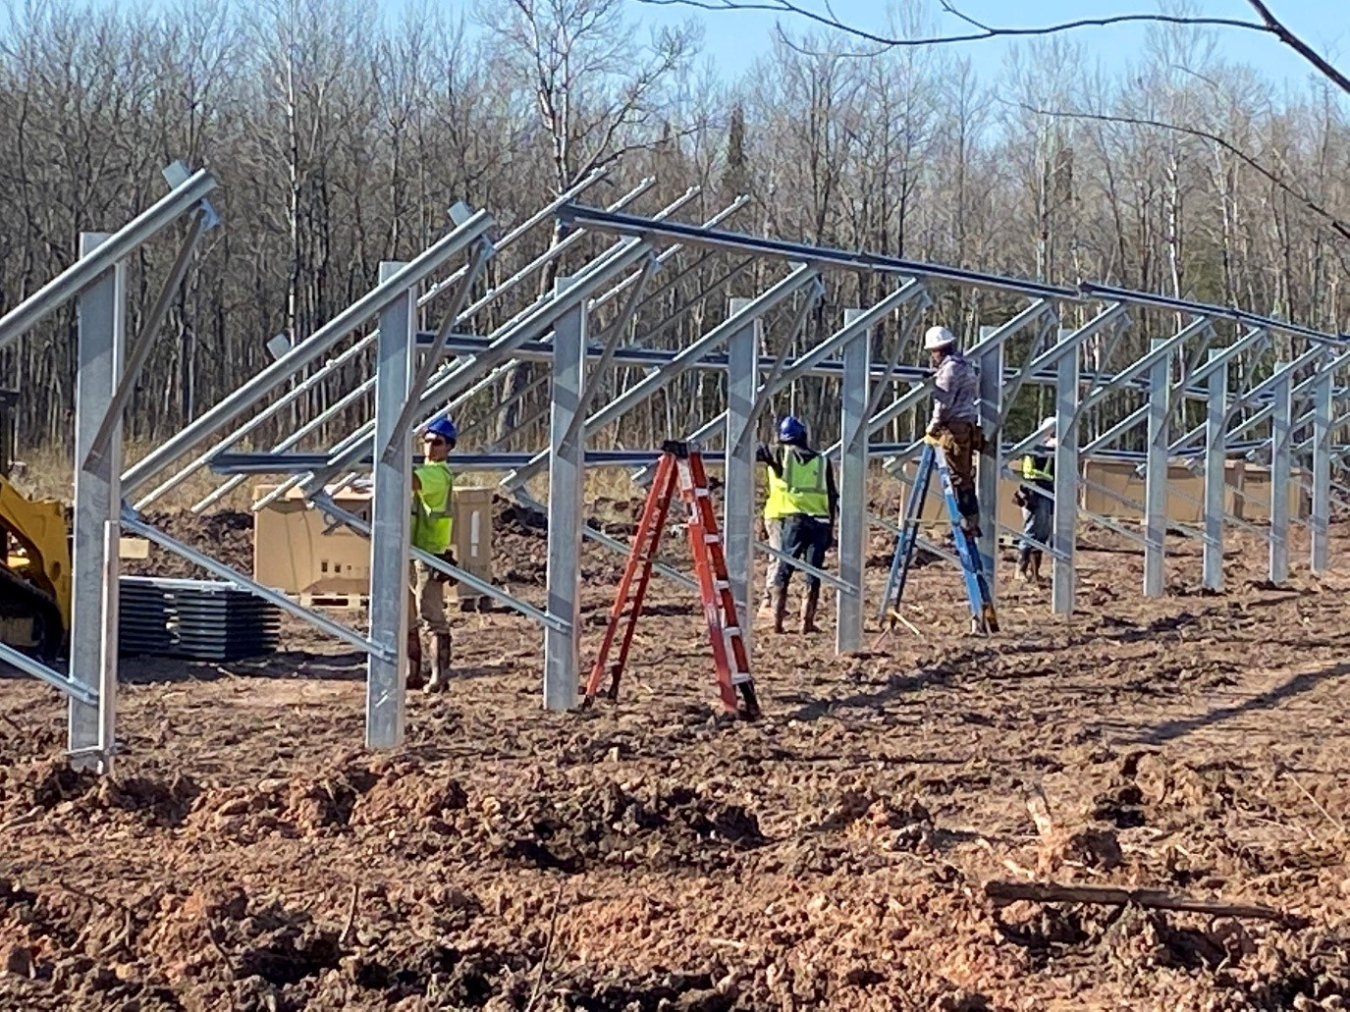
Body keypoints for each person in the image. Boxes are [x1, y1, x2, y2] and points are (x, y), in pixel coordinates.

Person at [756, 415, 838, 634]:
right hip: (820, 520)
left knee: (783, 568)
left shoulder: (782, 455)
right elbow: (832, 494)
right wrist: (831, 526)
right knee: (814, 571)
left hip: (795, 520)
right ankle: (806, 622)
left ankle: (776, 621)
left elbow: (763, 449)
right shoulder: (822, 460)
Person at [409, 416, 459, 693]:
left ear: (448, 447)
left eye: (437, 442)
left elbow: (410, 482)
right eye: (426, 441)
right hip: (414, 551)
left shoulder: (437, 474)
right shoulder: (427, 469)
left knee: (431, 616)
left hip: (429, 554)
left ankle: (439, 677)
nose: (430, 447)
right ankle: (413, 673)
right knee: (409, 615)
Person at [923, 325, 985, 536]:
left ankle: (968, 523)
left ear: (938, 349)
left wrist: (932, 428)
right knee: (964, 475)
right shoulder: (965, 365)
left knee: (958, 477)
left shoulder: (949, 370)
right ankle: (971, 521)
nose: (932, 356)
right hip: (967, 425)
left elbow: (944, 402)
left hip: (954, 429)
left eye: (932, 352)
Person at [1015, 417, 1056, 585]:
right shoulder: (1034, 446)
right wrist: (1049, 447)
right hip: (1034, 493)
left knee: (1042, 535)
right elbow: (1029, 472)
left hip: (1047, 493)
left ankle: (1035, 573)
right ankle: (1020, 570)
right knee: (1031, 532)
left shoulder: (1052, 448)